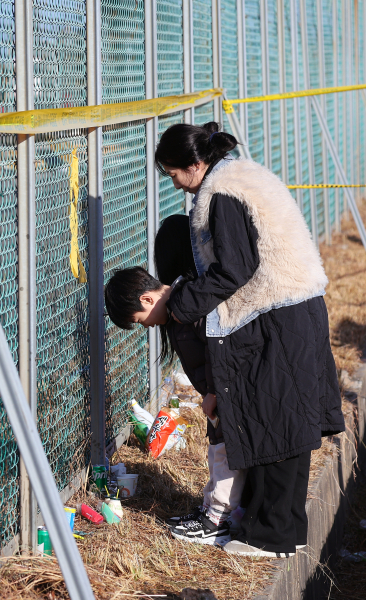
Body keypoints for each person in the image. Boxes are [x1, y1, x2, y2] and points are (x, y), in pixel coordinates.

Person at [153, 121, 345, 559]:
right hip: (294, 307)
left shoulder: (221, 195)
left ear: (195, 164)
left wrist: (182, 303)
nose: (176, 184)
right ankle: (281, 531)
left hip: (277, 313)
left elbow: (235, 270)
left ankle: (271, 536)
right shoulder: (240, 177)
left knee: (276, 424)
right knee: (286, 424)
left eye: (174, 174)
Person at [104, 215, 246, 546]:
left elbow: (217, 348)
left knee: (225, 454)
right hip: (218, 397)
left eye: (139, 320)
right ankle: (212, 510)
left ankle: (218, 518)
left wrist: (214, 391)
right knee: (217, 451)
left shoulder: (187, 305)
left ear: (147, 300)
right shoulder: (179, 309)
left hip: (224, 393)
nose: (146, 326)